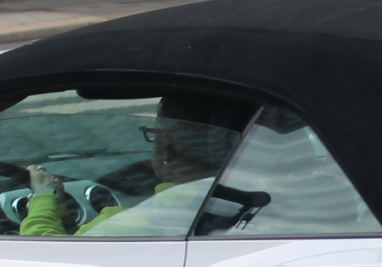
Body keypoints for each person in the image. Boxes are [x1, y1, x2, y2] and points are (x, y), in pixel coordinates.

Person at [19, 96, 239, 237]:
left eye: (157, 133)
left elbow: (44, 256)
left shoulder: (132, 225)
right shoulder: (255, 201)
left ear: (167, 149)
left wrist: (45, 196)